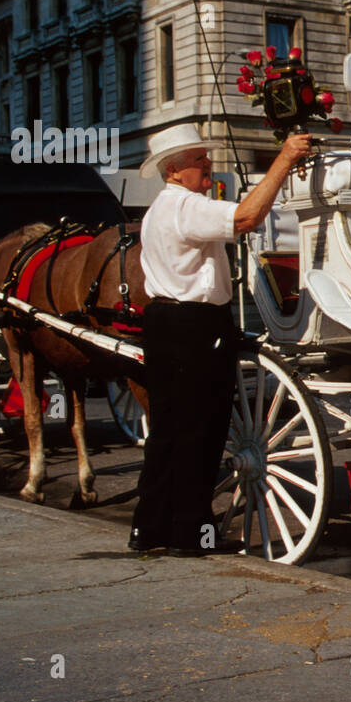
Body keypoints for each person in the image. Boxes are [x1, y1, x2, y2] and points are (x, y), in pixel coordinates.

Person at [129, 124, 312, 556]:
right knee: (201, 430)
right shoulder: (187, 206)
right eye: (199, 160)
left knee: (168, 430)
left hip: (163, 321)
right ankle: (190, 534)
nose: (208, 164)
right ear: (174, 170)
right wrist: (284, 160)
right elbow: (247, 218)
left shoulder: (157, 210)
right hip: (196, 324)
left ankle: (149, 528)